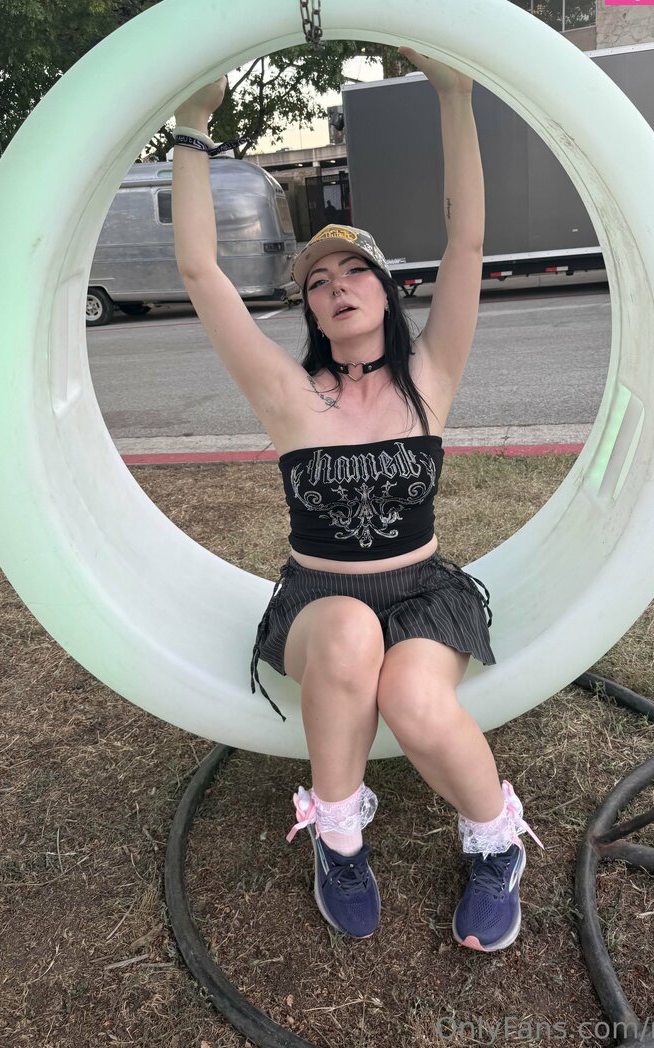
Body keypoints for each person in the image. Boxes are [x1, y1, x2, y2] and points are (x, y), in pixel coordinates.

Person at [171, 47, 542, 954]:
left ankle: (496, 845)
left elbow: (467, 241)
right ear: (309, 310)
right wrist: (191, 128)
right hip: (320, 600)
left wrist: (454, 93)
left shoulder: (430, 376)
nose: (336, 287)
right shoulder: (287, 394)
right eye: (318, 282)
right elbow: (200, 272)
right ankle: (338, 837)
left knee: (413, 699)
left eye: (355, 272)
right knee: (345, 634)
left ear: (386, 290)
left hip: (422, 595)